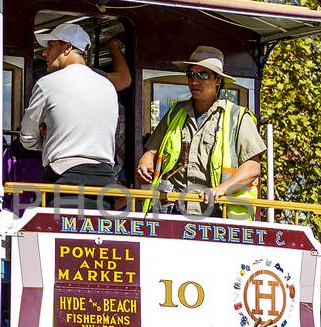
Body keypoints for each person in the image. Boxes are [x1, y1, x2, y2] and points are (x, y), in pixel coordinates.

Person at [136, 46, 265, 220]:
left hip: (217, 216)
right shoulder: (175, 112)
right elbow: (151, 151)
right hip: (172, 211)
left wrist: (221, 189)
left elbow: (253, 167)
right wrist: (144, 163)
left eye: (203, 75)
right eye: (191, 75)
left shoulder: (237, 117)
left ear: (217, 80)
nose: (194, 81)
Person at [18, 21, 121, 191]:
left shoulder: (47, 83)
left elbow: (27, 137)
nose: (44, 53)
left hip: (64, 179)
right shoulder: (108, 86)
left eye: (50, 46)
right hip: (106, 181)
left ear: (67, 48)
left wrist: (50, 140)